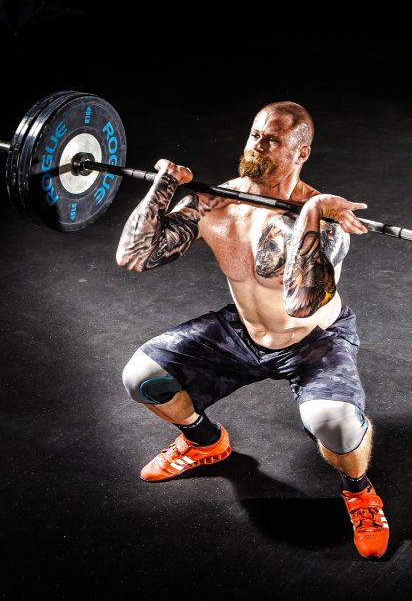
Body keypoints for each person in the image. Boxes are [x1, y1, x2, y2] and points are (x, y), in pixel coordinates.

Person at [115, 101, 389, 559]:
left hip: (313, 340)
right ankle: (205, 443)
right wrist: (163, 187)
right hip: (242, 330)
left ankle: (359, 491)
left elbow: (301, 305)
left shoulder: (325, 218)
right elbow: (135, 255)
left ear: (300, 153)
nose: (257, 145)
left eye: (272, 139)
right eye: (255, 134)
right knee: (141, 378)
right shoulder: (214, 203)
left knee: (334, 425)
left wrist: (311, 213)